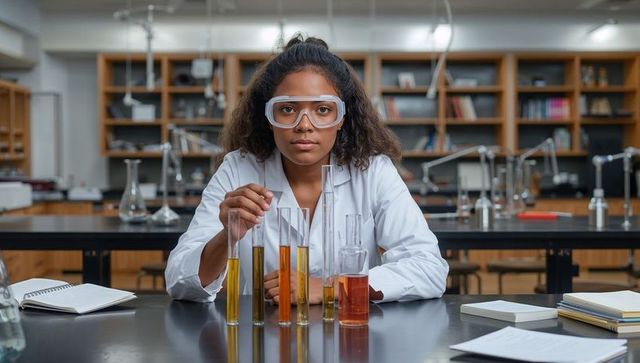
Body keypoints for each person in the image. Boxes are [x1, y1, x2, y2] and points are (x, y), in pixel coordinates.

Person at [165, 34, 448, 304]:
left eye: (322, 110)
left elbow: (429, 269)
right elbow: (179, 282)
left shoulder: (373, 171)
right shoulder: (239, 168)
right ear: (269, 116)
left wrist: (330, 287)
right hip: (262, 340)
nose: (304, 124)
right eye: (287, 109)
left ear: (341, 118)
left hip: (351, 340)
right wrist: (227, 236)